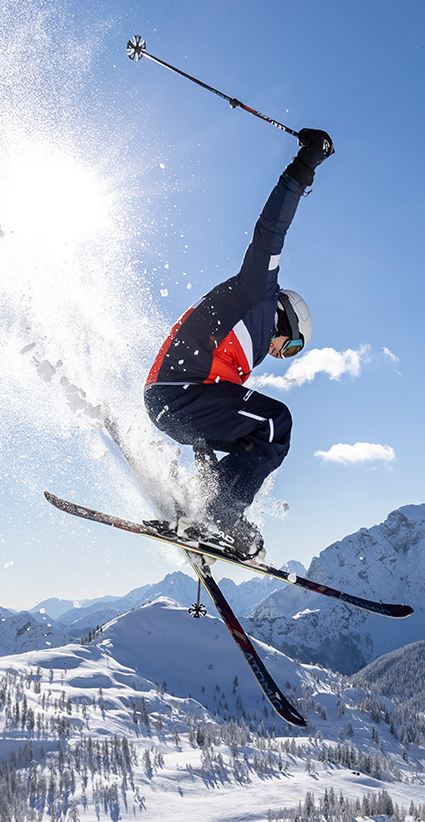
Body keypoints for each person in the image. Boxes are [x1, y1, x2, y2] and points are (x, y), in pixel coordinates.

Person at [143, 128, 334, 559]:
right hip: (180, 392)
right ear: (286, 317)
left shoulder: (238, 356)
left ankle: (207, 510)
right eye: (292, 346)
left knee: (255, 438)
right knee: (275, 423)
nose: (282, 355)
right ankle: (221, 514)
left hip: (174, 403)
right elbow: (271, 230)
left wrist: (200, 501)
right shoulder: (259, 294)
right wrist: (303, 168)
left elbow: (211, 432)